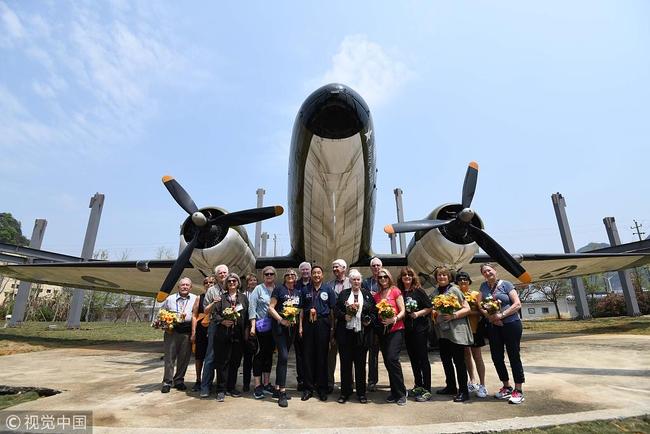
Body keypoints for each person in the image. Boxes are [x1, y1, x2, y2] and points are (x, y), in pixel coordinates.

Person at [478, 263, 525, 404]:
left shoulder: (507, 284)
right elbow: (480, 304)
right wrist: (490, 317)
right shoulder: (483, 287)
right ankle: (506, 386)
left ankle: (519, 390)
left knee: (513, 355)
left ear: (495, 270)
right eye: (484, 272)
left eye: (489, 270)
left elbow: (517, 304)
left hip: (510, 324)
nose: (487, 273)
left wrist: (501, 315)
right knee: (496, 357)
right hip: (493, 326)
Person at [432, 266, 473, 403]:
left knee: (459, 361)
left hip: (456, 332)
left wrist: (453, 315)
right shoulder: (436, 292)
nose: (441, 277)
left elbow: (467, 308)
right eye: (439, 275)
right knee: (446, 360)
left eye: (444, 275)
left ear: (449, 277)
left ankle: (463, 391)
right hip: (442, 333)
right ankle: (450, 386)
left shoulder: (455, 289)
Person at [334, 269, 375, 404]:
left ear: (361, 281)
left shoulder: (367, 294)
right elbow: (336, 310)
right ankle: (345, 392)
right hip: (346, 334)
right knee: (345, 365)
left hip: (362, 335)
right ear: (350, 281)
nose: (356, 282)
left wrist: (368, 320)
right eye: (353, 279)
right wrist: (344, 316)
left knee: (361, 365)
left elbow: (374, 311)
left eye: (358, 279)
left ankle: (361, 393)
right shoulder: (343, 294)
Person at [298, 265, 336, 401]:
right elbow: (301, 309)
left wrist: (332, 330)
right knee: (308, 357)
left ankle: (322, 388)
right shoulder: (305, 290)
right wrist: (300, 327)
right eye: (314, 273)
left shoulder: (328, 289)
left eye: (319, 273)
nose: (316, 275)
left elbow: (332, 311)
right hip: (308, 324)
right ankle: (308, 389)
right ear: (311, 275)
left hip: (323, 324)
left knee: (322, 357)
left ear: (322, 275)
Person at [397, 266, 433, 402]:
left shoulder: (418, 291)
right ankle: (418, 384)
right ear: (401, 278)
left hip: (420, 329)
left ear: (413, 277)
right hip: (407, 330)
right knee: (413, 359)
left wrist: (417, 313)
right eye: (404, 275)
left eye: (409, 275)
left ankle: (427, 389)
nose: (407, 277)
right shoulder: (400, 292)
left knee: (423, 358)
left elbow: (429, 307)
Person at [373, 268, 407, 406]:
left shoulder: (395, 291)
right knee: (388, 361)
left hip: (396, 329)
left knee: (393, 358)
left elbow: (403, 310)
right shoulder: (377, 295)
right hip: (383, 332)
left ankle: (401, 393)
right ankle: (394, 391)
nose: (383, 279)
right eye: (380, 277)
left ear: (389, 278)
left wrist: (394, 319)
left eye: (385, 277)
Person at [212, 273, 249, 402]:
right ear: (226, 284)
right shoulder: (221, 298)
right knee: (222, 363)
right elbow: (215, 314)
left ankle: (231, 387)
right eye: (229, 282)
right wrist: (222, 321)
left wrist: (246, 332)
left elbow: (247, 315)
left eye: (234, 281)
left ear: (238, 283)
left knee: (235, 362)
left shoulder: (243, 298)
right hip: (223, 334)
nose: (232, 283)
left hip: (238, 335)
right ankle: (220, 389)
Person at [267, 269, 300, 407]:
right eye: (288, 275)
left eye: (293, 275)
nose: (290, 277)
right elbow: (271, 308)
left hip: (291, 330)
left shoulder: (297, 292)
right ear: (284, 277)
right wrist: (281, 320)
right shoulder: (279, 290)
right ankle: (282, 392)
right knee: (284, 357)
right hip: (280, 328)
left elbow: (299, 310)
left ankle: (276, 388)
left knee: (282, 359)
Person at [160, 277, 197, 393]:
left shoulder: (195, 299)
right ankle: (167, 382)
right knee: (169, 358)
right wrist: (163, 324)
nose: (185, 287)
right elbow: (161, 313)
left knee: (184, 358)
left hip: (186, 331)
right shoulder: (170, 299)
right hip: (172, 331)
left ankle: (179, 380)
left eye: (187, 285)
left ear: (190, 287)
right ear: (178, 287)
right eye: (182, 285)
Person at [456, 271, 488, 399]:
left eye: (465, 279)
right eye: (460, 279)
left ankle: (482, 384)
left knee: (477, 356)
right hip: (461, 330)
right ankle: (472, 381)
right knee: (466, 355)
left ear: (469, 281)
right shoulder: (455, 295)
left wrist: (467, 312)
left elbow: (482, 311)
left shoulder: (476, 294)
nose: (463, 281)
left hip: (475, 329)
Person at [199, 264, 229, 398]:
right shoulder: (211, 291)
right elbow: (205, 310)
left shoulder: (233, 288)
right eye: (220, 273)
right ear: (216, 276)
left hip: (230, 326)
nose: (223, 275)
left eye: (225, 272)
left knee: (227, 357)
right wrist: (214, 302)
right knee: (210, 356)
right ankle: (205, 386)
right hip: (215, 325)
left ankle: (224, 386)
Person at [249, 265, 277, 399]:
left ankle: (266, 383)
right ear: (263, 276)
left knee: (269, 355)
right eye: (267, 274)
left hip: (274, 328)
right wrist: (253, 327)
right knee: (259, 355)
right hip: (261, 327)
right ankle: (257, 385)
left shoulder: (278, 289)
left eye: (271, 274)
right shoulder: (258, 289)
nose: (269, 276)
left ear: (274, 276)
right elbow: (252, 308)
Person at [327, 258, 351, 393]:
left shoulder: (352, 282)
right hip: (332, 323)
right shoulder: (329, 285)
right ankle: (330, 383)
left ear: (344, 268)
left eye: (337, 267)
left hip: (347, 323)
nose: (335, 269)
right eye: (333, 267)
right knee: (330, 355)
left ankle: (348, 383)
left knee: (347, 355)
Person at [190, 276, 214, 392]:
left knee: (213, 355)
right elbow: (194, 315)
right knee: (199, 355)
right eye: (206, 282)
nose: (209, 284)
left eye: (211, 282)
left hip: (214, 328)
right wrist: (193, 332)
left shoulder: (219, 297)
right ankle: (198, 380)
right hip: (201, 329)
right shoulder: (199, 297)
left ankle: (210, 380)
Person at [362, 256, 382, 391]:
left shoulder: (386, 281)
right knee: (364, 352)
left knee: (376, 355)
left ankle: (373, 380)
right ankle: (364, 380)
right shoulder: (365, 282)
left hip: (382, 322)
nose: (376, 268)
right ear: (370, 267)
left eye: (378, 265)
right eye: (373, 266)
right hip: (368, 321)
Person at [294, 261, 311, 391]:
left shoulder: (314, 284)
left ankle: (312, 379)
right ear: (300, 271)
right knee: (299, 354)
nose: (305, 271)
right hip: (296, 323)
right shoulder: (296, 285)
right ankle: (301, 379)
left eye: (307, 269)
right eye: (303, 270)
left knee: (311, 353)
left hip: (311, 323)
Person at [241, 273, 258, 392]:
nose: (253, 282)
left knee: (259, 356)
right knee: (247, 358)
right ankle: (246, 383)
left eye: (255, 280)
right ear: (247, 283)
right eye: (250, 280)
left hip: (260, 327)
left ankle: (259, 382)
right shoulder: (243, 296)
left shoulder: (260, 292)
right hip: (247, 328)